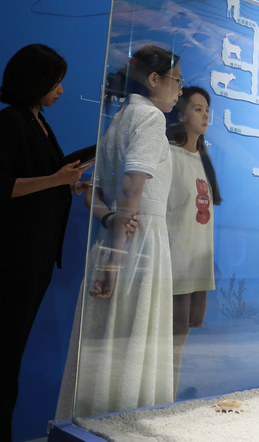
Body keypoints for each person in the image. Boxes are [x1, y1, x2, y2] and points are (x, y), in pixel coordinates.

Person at [0, 44, 91, 442]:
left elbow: (40, 181)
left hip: (34, 254)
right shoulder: (8, 122)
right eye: (56, 82)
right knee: (2, 357)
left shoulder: (39, 122)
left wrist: (69, 185)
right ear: (35, 81)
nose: (61, 90)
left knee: (6, 357)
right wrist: (56, 180)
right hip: (12, 255)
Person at [56, 44, 182, 418]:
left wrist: (111, 225)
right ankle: (126, 424)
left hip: (116, 237)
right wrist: (115, 260)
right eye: (176, 81)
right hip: (137, 241)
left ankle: (91, 422)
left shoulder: (118, 119)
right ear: (154, 79)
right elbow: (131, 187)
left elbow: (92, 193)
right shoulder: (150, 118)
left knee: (107, 338)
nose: (179, 89)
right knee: (130, 337)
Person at [165, 86, 222, 396]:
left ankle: (168, 400)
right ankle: (156, 402)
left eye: (207, 110)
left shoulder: (203, 159)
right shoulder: (169, 154)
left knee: (179, 344)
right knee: (165, 344)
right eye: (198, 109)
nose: (205, 115)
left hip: (195, 265)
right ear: (181, 114)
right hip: (174, 263)